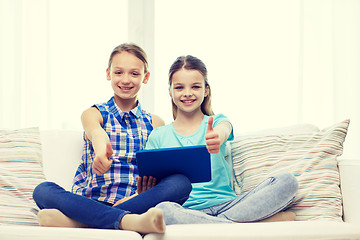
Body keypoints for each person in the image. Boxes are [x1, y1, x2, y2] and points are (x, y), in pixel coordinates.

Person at [32, 43, 192, 233]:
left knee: (181, 183)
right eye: (118, 73)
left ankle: (87, 221)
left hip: (134, 200)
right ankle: (127, 221)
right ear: (108, 74)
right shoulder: (94, 113)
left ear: (145, 77)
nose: (125, 79)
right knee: (42, 190)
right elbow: (96, 133)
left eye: (134, 74)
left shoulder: (155, 122)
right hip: (88, 200)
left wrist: (147, 189)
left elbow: (158, 166)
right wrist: (101, 151)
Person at [144, 55, 299, 224]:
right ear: (170, 91)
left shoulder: (217, 121)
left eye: (195, 86)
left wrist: (217, 136)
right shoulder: (157, 136)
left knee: (287, 181)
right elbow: (154, 182)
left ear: (206, 90)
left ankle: (218, 225)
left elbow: (224, 128)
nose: (187, 93)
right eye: (179, 87)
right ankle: (236, 226)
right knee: (163, 210)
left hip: (229, 205)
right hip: (185, 210)